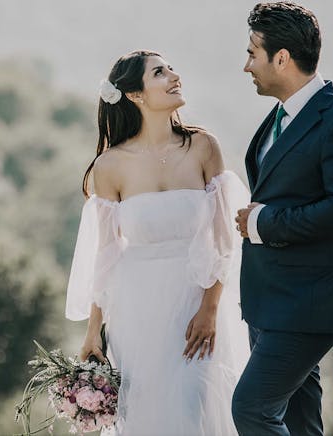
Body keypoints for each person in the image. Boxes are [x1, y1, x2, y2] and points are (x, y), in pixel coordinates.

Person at [65, 50, 250, 435]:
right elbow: (106, 255)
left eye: (171, 69)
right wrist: (93, 330)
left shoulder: (203, 147)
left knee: (193, 402)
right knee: (148, 414)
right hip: (137, 309)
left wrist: (210, 308)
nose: (174, 76)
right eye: (160, 73)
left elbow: (224, 237)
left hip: (196, 302)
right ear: (135, 95)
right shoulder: (110, 166)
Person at [232, 1, 333, 436]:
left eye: (253, 53)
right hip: (268, 300)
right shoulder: (279, 115)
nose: (246, 66)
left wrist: (264, 223)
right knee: (299, 421)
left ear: (281, 58)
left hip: (308, 302)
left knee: (252, 410)